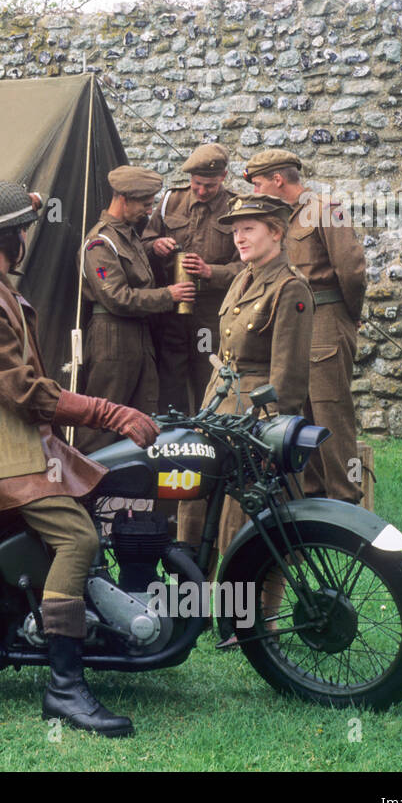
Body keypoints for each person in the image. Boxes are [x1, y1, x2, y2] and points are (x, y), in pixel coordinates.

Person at [0, 179, 160, 738]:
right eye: (22, 228)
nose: (27, 235)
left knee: (92, 497)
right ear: (9, 237)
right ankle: (65, 688)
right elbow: (22, 390)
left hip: (5, 431)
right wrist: (111, 412)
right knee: (78, 539)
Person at [175, 193, 314, 571]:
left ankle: (250, 621)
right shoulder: (242, 279)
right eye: (235, 231)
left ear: (276, 232)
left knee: (245, 520)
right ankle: (191, 611)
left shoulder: (290, 289)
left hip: (254, 419)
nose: (239, 238)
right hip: (218, 410)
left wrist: (271, 436)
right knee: (195, 507)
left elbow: (288, 378)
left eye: (248, 229)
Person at [244, 150, 366, 503]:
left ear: (278, 180)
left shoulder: (324, 209)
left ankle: (345, 498)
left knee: (330, 412)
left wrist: (349, 314)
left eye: (258, 183)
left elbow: (352, 269)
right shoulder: (282, 217)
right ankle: (312, 496)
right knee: (299, 410)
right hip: (294, 321)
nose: (255, 192)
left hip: (326, 319)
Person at [77, 165, 194, 452]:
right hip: (112, 341)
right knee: (104, 421)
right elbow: (116, 297)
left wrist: (155, 250)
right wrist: (168, 295)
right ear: (123, 200)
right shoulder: (99, 244)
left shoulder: (129, 236)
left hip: (136, 338)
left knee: (142, 419)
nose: (149, 210)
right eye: (144, 204)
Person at [142, 143, 239, 415]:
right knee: (170, 379)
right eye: (196, 184)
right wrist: (155, 245)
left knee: (208, 377)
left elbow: (247, 266)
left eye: (209, 185)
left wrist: (211, 272)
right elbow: (144, 242)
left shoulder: (237, 207)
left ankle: (209, 438)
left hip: (211, 314)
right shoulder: (171, 201)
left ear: (223, 177)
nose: (201, 191)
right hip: (171, 312)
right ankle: (173, 440)